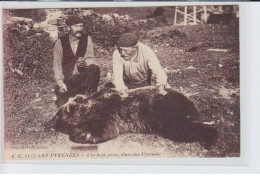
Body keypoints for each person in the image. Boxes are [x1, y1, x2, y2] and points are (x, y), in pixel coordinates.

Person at [53, 15, 100, 108]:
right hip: (68, 81)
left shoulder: (87, 39)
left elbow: (90, 58)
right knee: (62, 105)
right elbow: (56, 65)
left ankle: (89, 98)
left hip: (83, 79)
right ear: (68, 28)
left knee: (94, 68)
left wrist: (85, 63)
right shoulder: (60, 43)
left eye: (81, 26)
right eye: (76, 26)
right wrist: (60, 83)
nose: (79, 29)